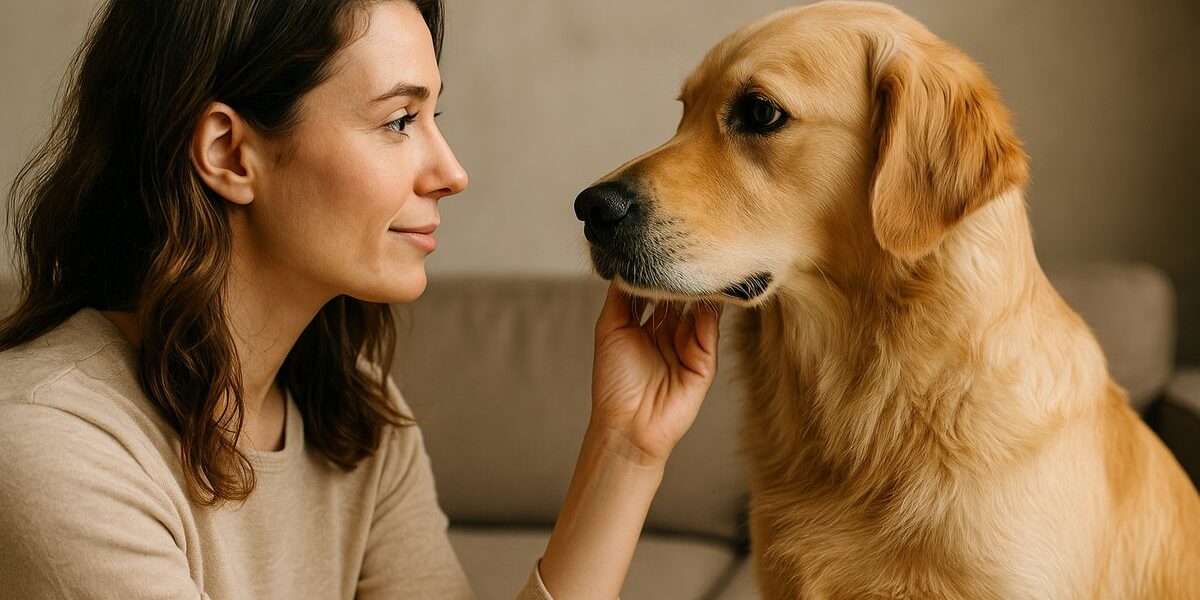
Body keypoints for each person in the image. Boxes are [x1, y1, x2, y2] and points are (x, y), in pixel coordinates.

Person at [0, 0, 722, 599]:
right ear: (228, 153)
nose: (452, 172)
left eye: (434, 117)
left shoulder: (355, 416)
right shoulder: (52, 446)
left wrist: (626, 447)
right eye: (399, 121)